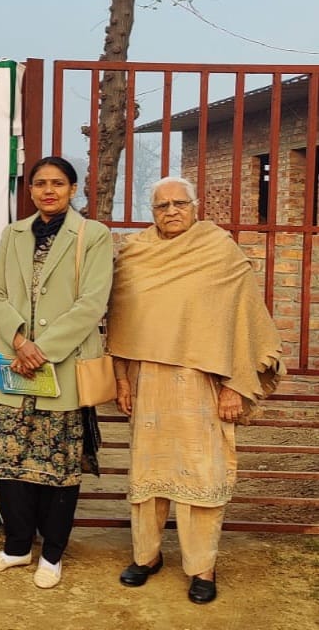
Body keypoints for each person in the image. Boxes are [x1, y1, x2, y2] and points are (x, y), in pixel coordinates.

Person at [108, 176, 284, 605]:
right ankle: (146, 557)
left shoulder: (219, 250)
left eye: (179, 203)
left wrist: (236, 385)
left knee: (203, 474)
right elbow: (121, 318)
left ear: (196, 205)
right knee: (148, 475)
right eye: (161, 205)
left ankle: (202, 565)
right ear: (152, 211)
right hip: (149, 380)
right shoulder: (136, 253)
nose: (171, 211)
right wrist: (122, 378)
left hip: (203, 383)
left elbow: (242, 321)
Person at [0, 157, 112, 589]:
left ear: (73, 189)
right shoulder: (13, 233)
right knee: (9, 461)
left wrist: (43, 350)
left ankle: (52, 554)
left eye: (57, 183)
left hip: (62, 366)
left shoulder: (94, 236)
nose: (48, 190)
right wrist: (19, 340)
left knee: (59, 465)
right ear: (29, 190)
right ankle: (16, 548)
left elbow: (92, 303)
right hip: (13, 364)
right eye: (39, 183)